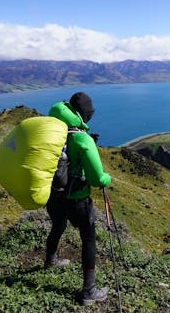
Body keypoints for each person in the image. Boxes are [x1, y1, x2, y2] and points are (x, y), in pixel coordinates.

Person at [44, 92, 112, 306]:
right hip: (77, 198)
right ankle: (89, 291)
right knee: (88, 237)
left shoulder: (51, 131)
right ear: (84, 114)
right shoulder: (81, 138)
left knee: (58, 224)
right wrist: (107, 178)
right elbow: (97, 178)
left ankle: (50, 260)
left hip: (53, 195)